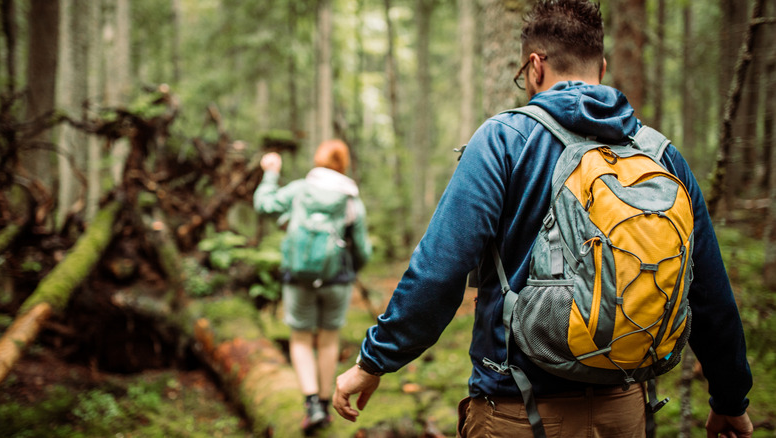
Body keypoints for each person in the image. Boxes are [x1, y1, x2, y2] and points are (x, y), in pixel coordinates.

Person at [332, 1, 753, 437]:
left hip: (519, 412)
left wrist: (374, 361)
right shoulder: (660, 154)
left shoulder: (504, 140)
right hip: (624, 410)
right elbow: (707, 289)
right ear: (602, 67)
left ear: (535, 67)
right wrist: (729, 397)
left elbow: (440, 268)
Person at [254, 139, 372, 434]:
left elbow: (264, 204)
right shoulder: (350, 199)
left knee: (301, 339)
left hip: (299, 278)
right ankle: (326, 400)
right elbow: (362, 249)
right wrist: (351, 270)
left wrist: (270, 172)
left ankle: (312, 406)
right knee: (328, 340)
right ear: (343, 164)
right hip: (337, 280)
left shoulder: (299, 190)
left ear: (318, 160)